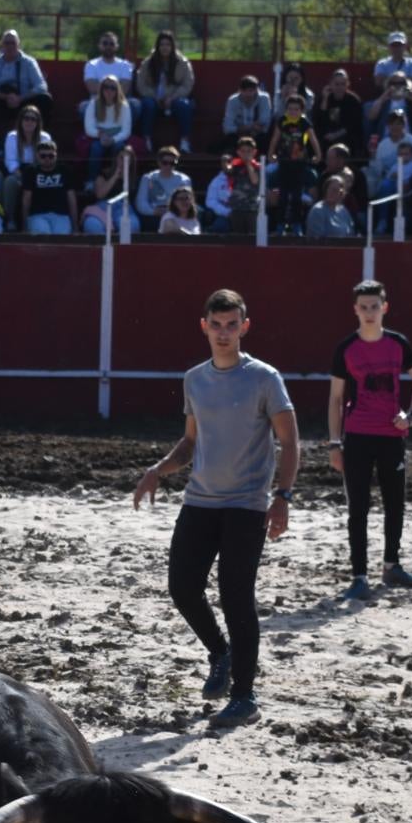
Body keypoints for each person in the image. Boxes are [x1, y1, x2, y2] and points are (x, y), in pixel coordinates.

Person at [131, 289, 296, 728]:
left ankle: (244, 695)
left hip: (246, 505)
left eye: (232, 324)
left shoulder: (264, 378)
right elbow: (190, 442)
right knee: (182, 587)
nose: (224, 333)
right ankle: (220, 652)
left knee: (236, 597)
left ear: (245, 326)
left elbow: (290, 440)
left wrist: (283, 496)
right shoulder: (195, 379)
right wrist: (158, 470)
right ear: (204, 326)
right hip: (199, 501)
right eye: (217, 325)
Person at [325, 280, 412, 599]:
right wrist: (334, 443)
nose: (369, 312)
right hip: (356, 437)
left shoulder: (398, 343)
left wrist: (411, 415)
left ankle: (391, 566)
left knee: (394, 504)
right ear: (355, 310)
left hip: (391, 437)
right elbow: (335, 399)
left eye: (375, 306)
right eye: (364, 307)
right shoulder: (346, 348)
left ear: (384, 308)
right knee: (358, 508)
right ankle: (359, 576)